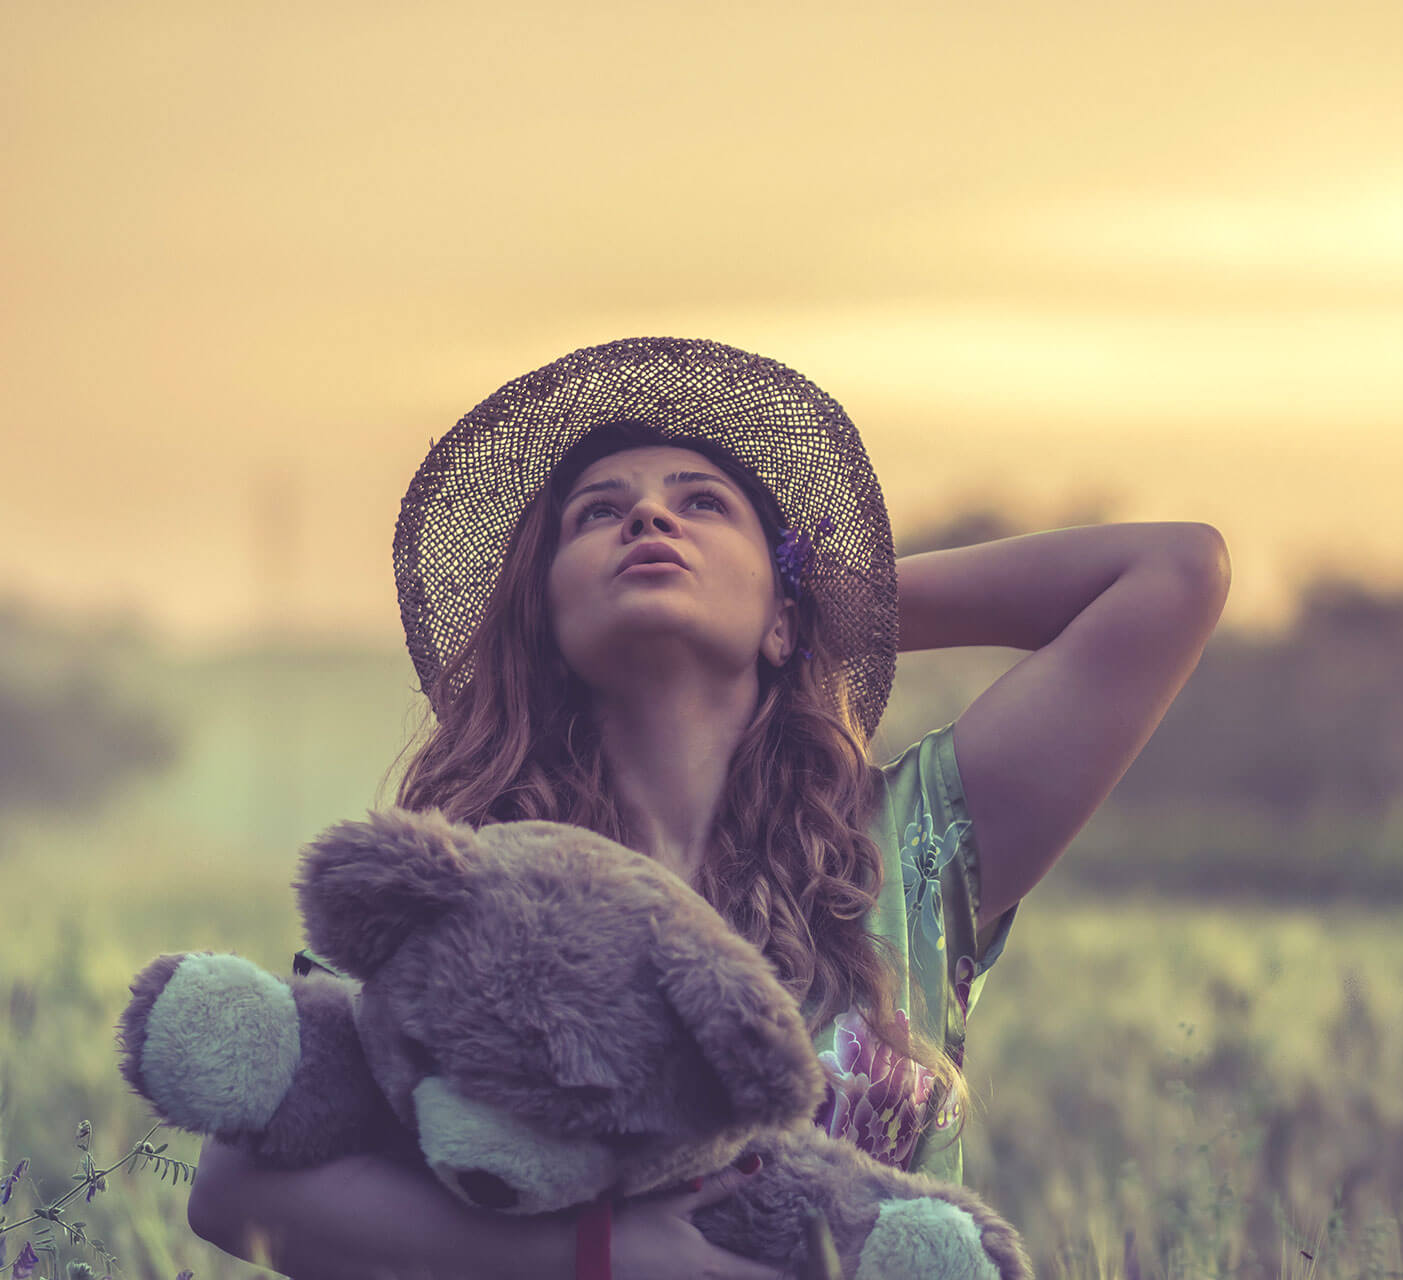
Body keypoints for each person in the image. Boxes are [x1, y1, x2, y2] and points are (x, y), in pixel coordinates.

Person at [183, 338, 1230, 1279]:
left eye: (702, 504)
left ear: (784, 610)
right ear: (542, 617)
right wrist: (591, 1253)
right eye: (598, 511)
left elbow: (1174, 572)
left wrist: (823, 607)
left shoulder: (905, 853)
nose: (648, 516)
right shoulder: (463, 880)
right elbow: (238, 1189)